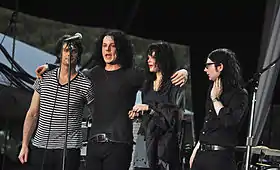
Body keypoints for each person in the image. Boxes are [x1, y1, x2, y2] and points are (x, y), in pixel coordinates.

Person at [35, 30, 188, 170]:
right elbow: (71, 73)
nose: (107, 50)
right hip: (94, 144)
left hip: (119, 144)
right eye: (104, 46)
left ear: (120, 49)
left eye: (112, 46)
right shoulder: (93, 74)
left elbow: (159, 77)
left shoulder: (132, 75)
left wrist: (184, 71)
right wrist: (50, 66)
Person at [18, 34, 95, 170]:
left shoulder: (85, 84)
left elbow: (96, 114)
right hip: (40, 146)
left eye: (74, 51)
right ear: (60, 53)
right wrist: (24, 145)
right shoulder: (44, 77)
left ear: (78, 55)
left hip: (68, 150)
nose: (69, 54)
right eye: (66, 50)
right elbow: (32, 113)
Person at [128, 41, 186, 170]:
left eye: (153, 57)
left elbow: (174, 115)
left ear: (163, 59)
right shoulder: (147, 84)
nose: (149, 61)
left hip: (164, 145)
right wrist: (138, 113)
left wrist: (150, 108)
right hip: (145, 139)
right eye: (148, 57)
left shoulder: (174, 83)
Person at [189, 48, 248, 170]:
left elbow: (229, 121)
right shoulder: (212, 89)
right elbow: (207, 123)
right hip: (202, 153)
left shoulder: (239, 94)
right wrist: (196, 150)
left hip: (220, 158)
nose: (205, 69)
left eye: (208, 65)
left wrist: (216, 100)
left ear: (220, 67)